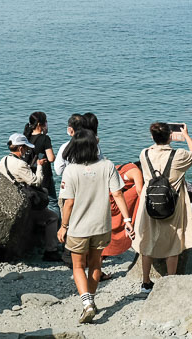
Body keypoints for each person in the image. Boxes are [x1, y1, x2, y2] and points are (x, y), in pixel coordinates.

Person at [57, 130, 134, 324]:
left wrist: (63, 226)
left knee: (78, 266)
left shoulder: (71, 170)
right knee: (96, 264)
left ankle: (87, 304)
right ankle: (91, 300)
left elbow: (69, 203)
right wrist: (127, 221)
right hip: (102, 226)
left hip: (78, 228)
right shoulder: (107, 166)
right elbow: (118, 194)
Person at [132, 122, 192, 294]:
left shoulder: (144, 154)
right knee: (173, 243)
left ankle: (145, 283)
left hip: (150, 203)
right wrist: (186, 136)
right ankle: (170, 282)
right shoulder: (179, 155)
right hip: (172, 205)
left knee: (147, 241)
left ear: (152, 137)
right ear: (171, 136)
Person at [0, 133, 63, 262]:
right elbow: (36, 182)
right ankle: (51, 250)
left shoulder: (3, 160)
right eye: (26, 148)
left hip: (10, 200)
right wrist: (39, 166)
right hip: (24, 203)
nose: (27, 151)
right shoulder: (20, 164)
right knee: (53, 217)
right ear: (21, 148)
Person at [101, 160, 143, 258]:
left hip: (104, 197)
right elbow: (140, 192)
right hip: (113, 201)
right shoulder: (136, 171)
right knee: (138, 191)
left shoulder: (122, 166)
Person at [23, 111, 56, 199]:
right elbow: (51, 158)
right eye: (45, 121)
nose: (46, 123)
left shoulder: (25, 137)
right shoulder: (45, 139)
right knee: (52, 201)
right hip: (44, 174)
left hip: (29, 175)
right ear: (39, 124)